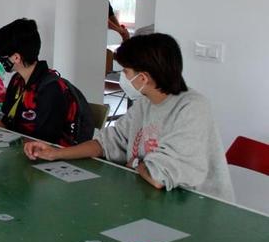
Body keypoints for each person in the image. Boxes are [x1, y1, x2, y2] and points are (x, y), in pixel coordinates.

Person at [23, 33, 235, 201]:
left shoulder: (192, 108)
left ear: (143, 78)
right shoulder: (144, 104)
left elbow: (158, 176)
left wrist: (134, 163)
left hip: (197, 208)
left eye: (125, 71)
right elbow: (106, 143)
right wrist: (57, 153)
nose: (122, 76)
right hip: (152, 199)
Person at [0, 18, 93, 146]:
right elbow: (7, 121)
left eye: (1, 56)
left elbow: (46, 140)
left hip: (48, 155)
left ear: (16, 58)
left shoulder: (51, 89)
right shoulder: (17, 80)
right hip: (22, 148)